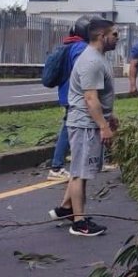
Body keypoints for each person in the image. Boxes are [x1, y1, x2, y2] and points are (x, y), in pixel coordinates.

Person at [49, 18, 119, 237]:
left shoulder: (99, 58)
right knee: (80, 172)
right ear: (102, 36)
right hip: (85, 124)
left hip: (88, 122)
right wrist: (103, 126)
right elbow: (89, 98)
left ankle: (66, 208)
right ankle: (79, 223)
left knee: (81, 168)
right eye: (115, 34)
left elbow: (98, 95)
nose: (118, 38)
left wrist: (109, 115)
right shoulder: (91, 61)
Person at [47, 16, 92, 181]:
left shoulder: (69, 45)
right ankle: (56, 167)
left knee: (74, 127)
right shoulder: (80, 48)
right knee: (68, 128)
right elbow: (83, 71)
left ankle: (82, 160)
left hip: (67, 94)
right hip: (75, 95)